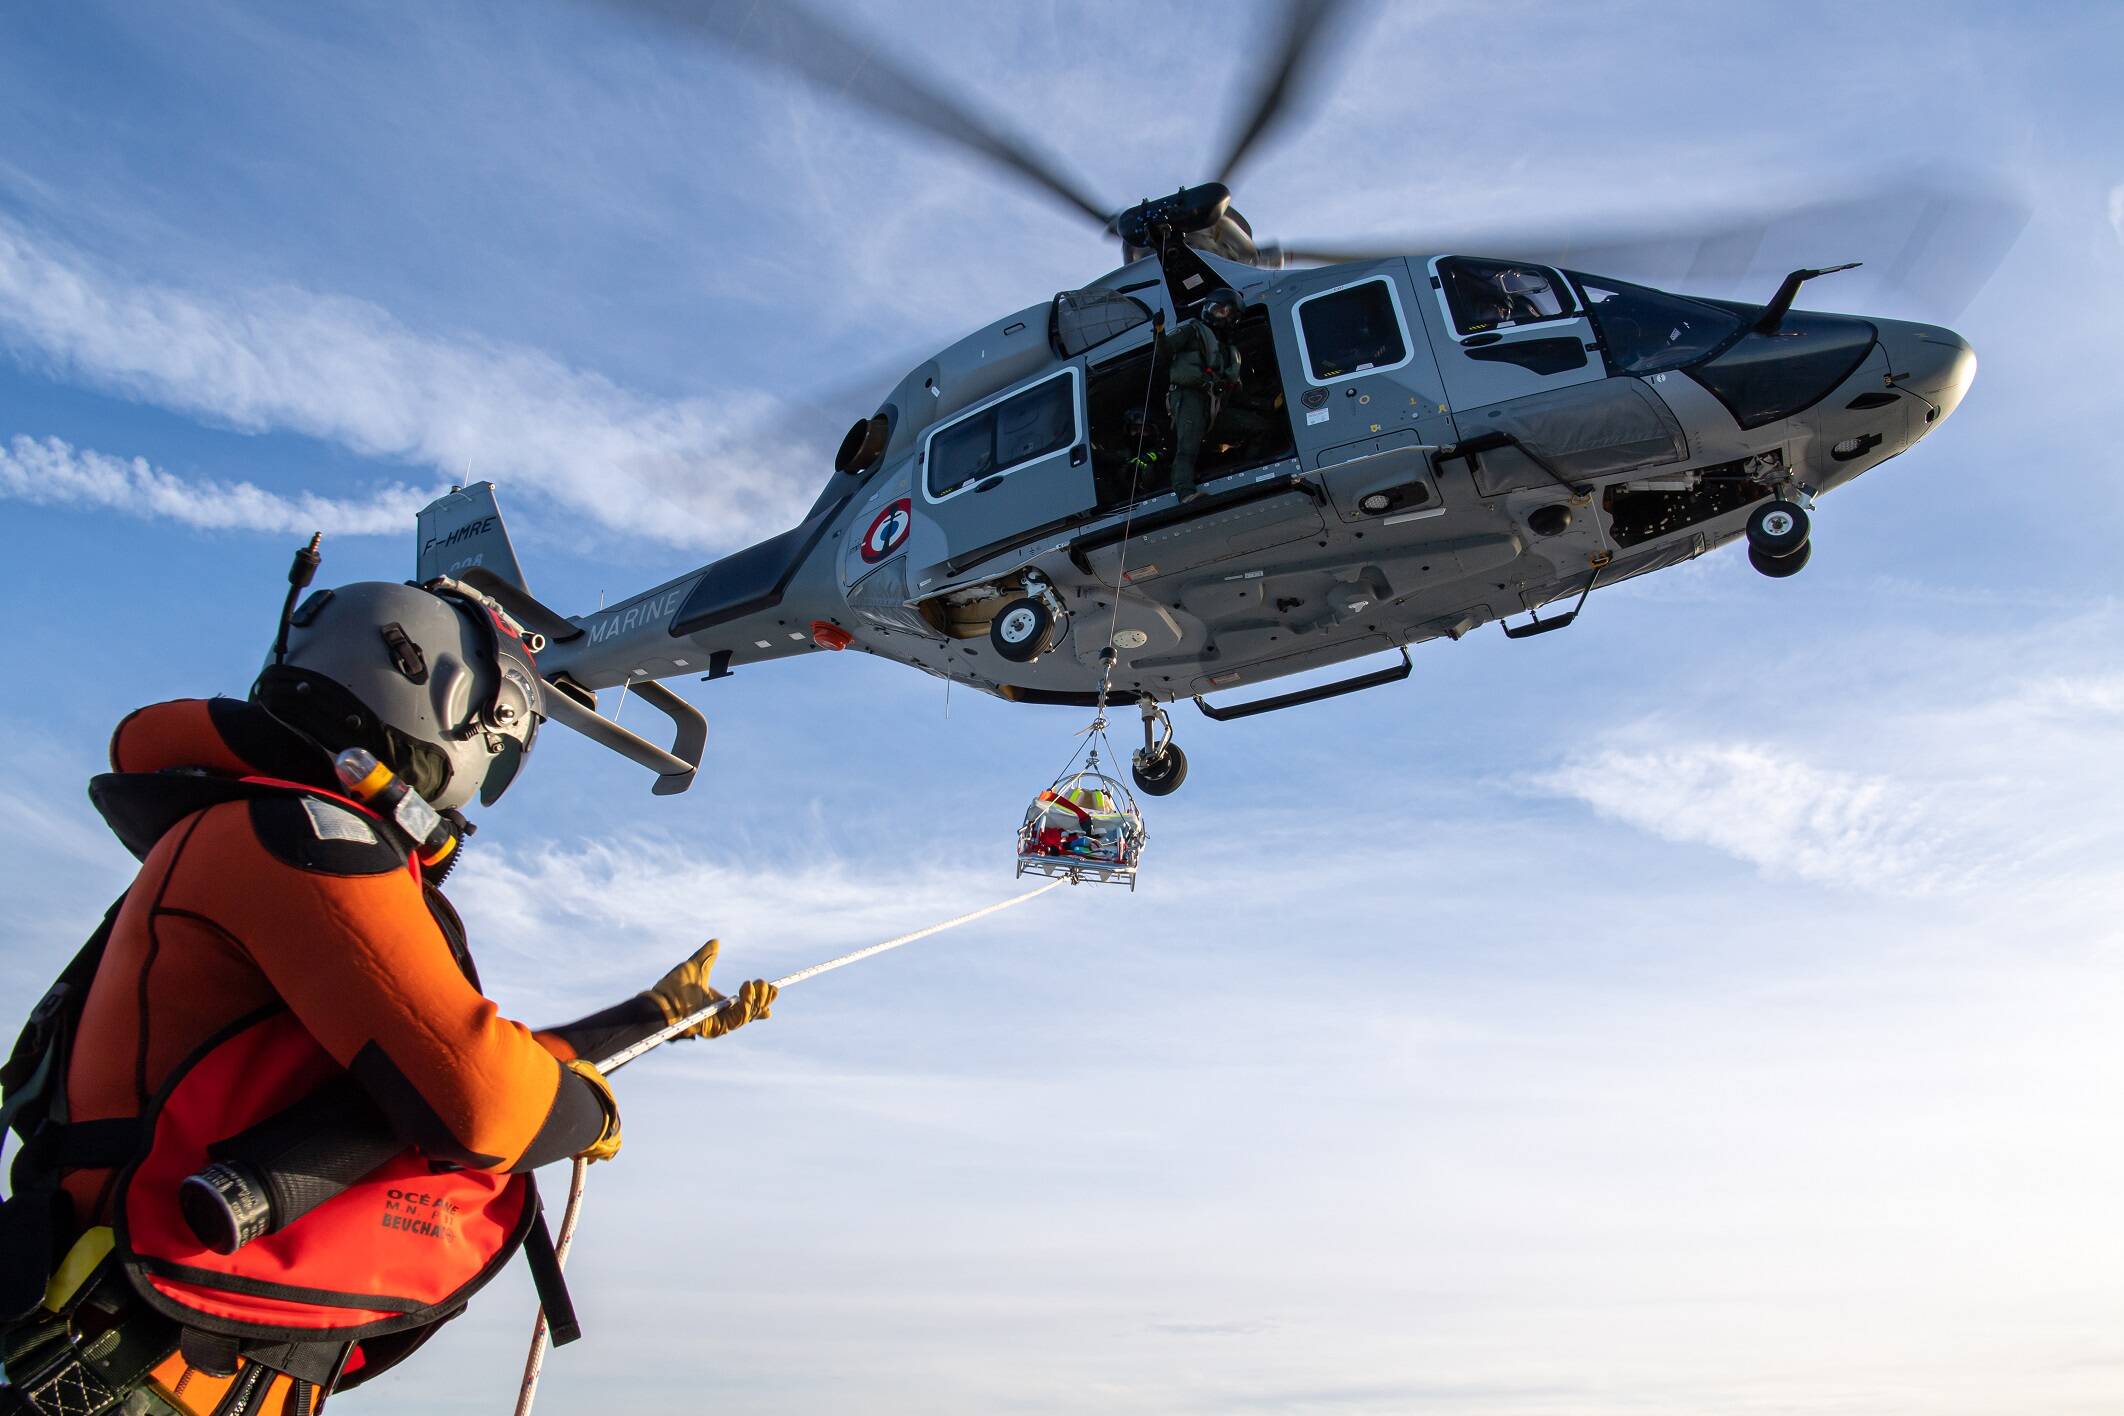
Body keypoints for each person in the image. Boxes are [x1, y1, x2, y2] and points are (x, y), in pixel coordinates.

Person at [0, 571, 774, 1414]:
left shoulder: (253, 831)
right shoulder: (298, 840)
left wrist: (651, 1018)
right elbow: (482, 1101)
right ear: (444, 697)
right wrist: (590, 1117)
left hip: (148, 1357)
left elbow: (432, 1064)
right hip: (134, 1366)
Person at [1154, 287, 1274, 502]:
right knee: (1187, 446)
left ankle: (1247, 473)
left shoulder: (1230, 353)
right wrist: (1160, 331)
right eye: (1216, 309)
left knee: (1259, 427)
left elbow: (1236, 393)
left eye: (1224, 311)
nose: (1218, 313)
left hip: (1216, 406)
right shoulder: (1191, 332)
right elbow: (1163, 353)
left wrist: (1268, 405)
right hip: (1189, 397)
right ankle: (1185, 493)